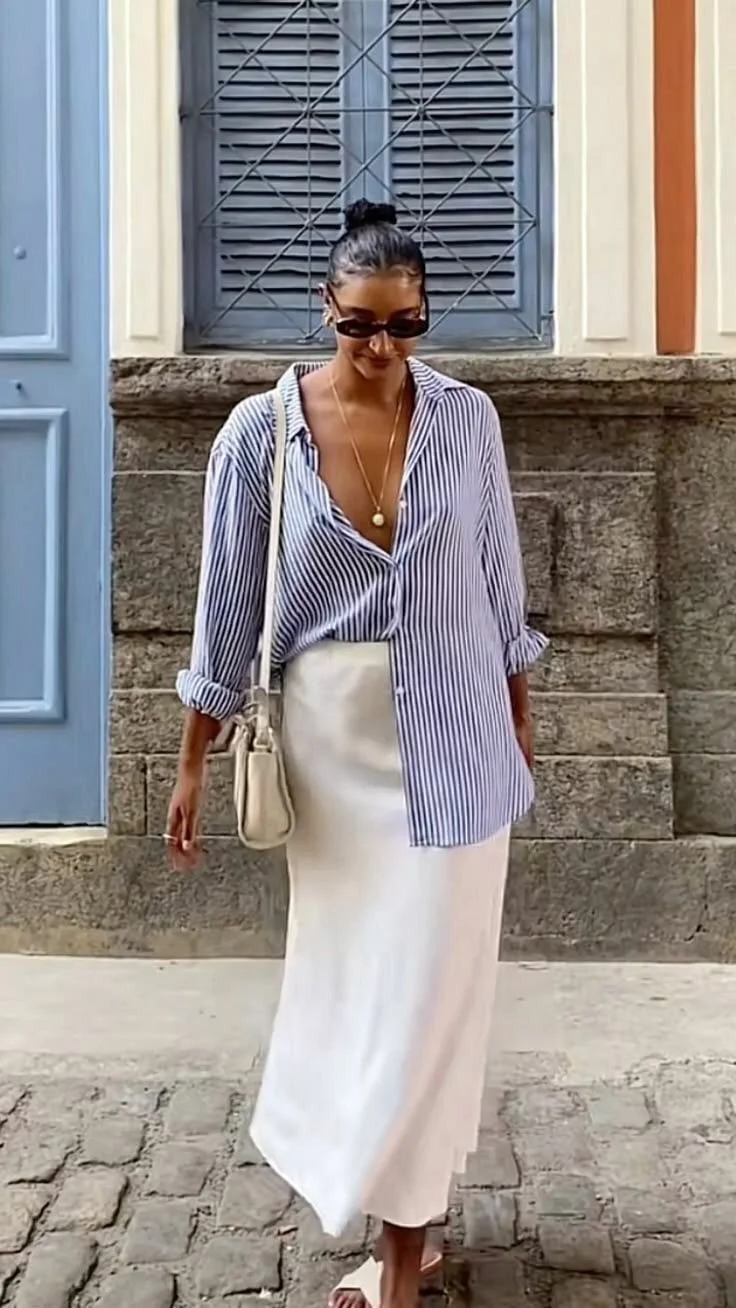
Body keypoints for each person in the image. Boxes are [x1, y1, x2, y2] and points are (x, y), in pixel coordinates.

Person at [166, 199, 548, 1308]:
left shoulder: (469, 422)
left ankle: (398, 1260)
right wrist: (192, 761)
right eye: (360, 326)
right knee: (359, 994)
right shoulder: (256, 435)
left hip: (460, 734)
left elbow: (497, 582)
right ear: (325, 311)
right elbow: (224, 613)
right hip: (334, 760)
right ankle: (401, 1226)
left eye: (406, 324)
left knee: (436, 992)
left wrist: (518, 718)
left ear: (426, 316)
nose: (382, 349)